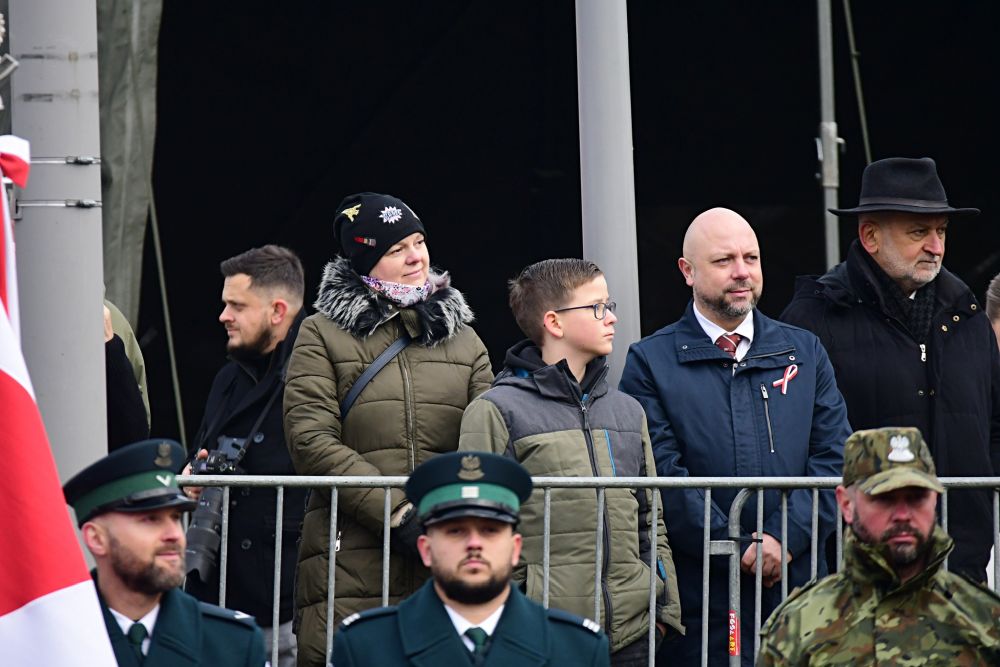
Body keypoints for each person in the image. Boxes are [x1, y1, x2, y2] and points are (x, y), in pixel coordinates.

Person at [619, 207, 850, 666]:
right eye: (724, 260)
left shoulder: (804, 350)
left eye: (752, 257)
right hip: (702, 597)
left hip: (800, 585)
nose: (742, 272)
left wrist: (783, 538)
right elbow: (661, 472)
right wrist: (736, 546)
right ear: (687, 271)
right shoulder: (650, 361)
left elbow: (835, 456)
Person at [283, 192, 494, 666]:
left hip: (445, 548)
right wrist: (397, 513)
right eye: (397, 249)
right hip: (350, 555)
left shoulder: (464, 337)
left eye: (419, 242)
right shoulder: (320, 333)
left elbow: (489, 435)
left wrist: (448, 515)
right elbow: (310, 439)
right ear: (365, 259)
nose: (417, 256)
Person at [781, 157, 1000, 583]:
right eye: (919, 232)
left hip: (960, 570)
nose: (936, 246)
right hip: (856, 581)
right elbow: (793, 445)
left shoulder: (969, 317)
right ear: (870, 236)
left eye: (941, 231)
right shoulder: (813, 319)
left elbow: (995, 425)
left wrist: (979, 517)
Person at [458, 258, 683, 665]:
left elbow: (651, 518)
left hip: (635, 635)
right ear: (554, 323)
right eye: (596, 307)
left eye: (609, 305)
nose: (611, 317)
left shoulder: (628, 412)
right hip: (543, 636)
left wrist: (662, 609)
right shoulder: (495, 411)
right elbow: (477, 529)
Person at [333, 451, 611, 666]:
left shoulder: (578, 649)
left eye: (490, 530)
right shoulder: (365, 646)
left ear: (515, 548)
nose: (474, 544)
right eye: (456, 531)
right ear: (426, 549)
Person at [758, 426, 1000, 664]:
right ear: (846, 505)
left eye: (917, 497)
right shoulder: (800, 626)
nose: (903, 515)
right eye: (885, 498)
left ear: (935, 499)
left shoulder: (983, 620)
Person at [183, 245, 307, 666]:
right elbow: (203, 449)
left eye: (236, 305)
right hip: (217, 594)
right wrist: (193, 474)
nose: (223, 316)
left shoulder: (318, 374)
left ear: (277, 311)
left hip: (286, 602)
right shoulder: (227, 378)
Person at [63, 439, 266, 666]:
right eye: (150, 519)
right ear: (96, 538)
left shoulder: (233, 645)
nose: (174, 535)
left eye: (175, 518)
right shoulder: (52, 641)